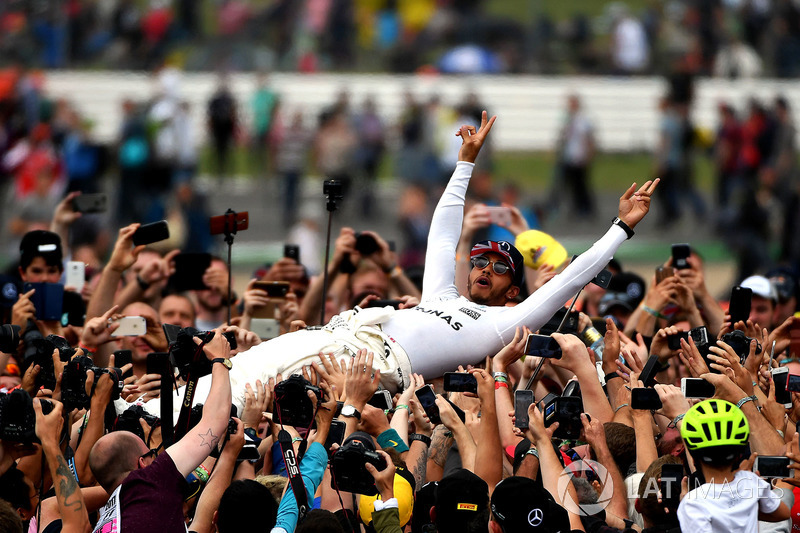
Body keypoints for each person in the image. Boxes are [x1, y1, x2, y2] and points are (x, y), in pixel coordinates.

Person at [149, 112, 658, 417]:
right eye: (479, 259)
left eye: (499, 268)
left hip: (368, 369)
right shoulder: (441, 294)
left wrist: (621, 227)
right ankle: (148, 412)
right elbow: (443, 232)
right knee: (240, 367)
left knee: (249, 398)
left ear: (511, 291)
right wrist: (465, 164)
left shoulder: (505, 323)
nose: (483, 267)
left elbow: (571, 276)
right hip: (338, 333)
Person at [89, 327, 232, 533]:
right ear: (141, 463)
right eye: (152, 454)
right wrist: (220, 360)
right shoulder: (147, 482)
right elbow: (214, 423)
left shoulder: (105, 520)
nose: (157, 458)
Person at [678, 399, 789, 531]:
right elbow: (783, 513)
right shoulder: (751, 482)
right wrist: (747, 508)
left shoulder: (693, 503)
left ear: (693, 457)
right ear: (740, 453)